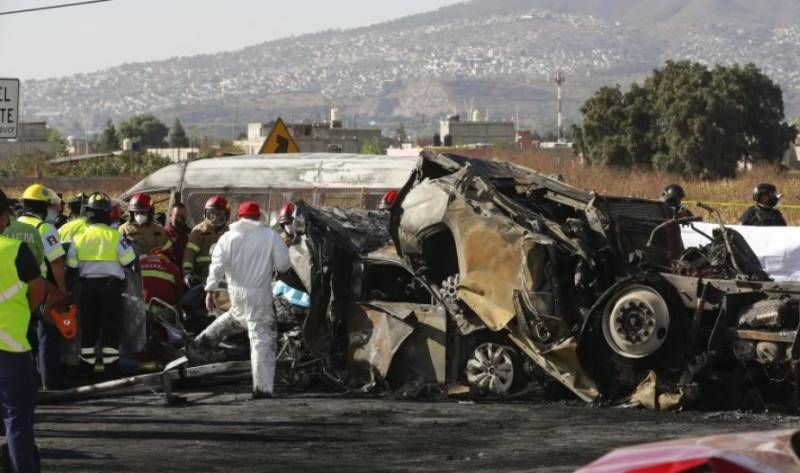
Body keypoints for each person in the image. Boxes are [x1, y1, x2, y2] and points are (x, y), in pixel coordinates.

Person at [188, 201, 290, 398]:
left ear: (238, 217)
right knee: (262, 339)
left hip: (236, 295)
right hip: (259, 296)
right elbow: (284, 265)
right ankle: (263, 389)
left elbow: (216, 265)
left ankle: (198, 348)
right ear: (258, 216)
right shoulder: (270, 236)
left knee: (232, 320)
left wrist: (210, 290)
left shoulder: (227, 238)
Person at [0, 187, 47, 473]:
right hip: (11, 350)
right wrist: (23, 314)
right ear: (4, 217)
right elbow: (38, 290)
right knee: (17, 419)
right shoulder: (15, 250)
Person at [66, 192, 136, 371]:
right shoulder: (115, 236)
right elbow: (129, 260)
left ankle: (86, 367)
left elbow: (72, 265)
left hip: (87, 287)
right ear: (108, 213)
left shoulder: (79, 237)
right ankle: (111, 366)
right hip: (111, 287)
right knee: (110, 325)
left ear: (89, 212)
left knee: (89, 326)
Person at [18, 184, 68, 390]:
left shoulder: (15, 225)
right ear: (43, 207)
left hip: (16, 291)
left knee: (23, 337)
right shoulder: (45, 229)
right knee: (47, 335)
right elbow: (56, 263)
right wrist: (62, 291)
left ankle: (28, 383)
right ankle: (51, 384)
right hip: (43, 289)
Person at [182, 196, 230, 287]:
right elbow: (189, 253)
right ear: (205, 214)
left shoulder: (229, 233)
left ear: (226, 215)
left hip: (223, 279)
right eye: (210, 214)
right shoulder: (199, 231)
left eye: (219, 214)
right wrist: (187, 272)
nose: (214, 218)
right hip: (201, 278)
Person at [162, 203, 190, 270]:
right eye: (177, 215)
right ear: (170, 216)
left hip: (186, 272)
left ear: (186, 216)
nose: (180, 218)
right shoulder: (164, 233)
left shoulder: (191, 233)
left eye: (182, 216)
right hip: (169, 272)